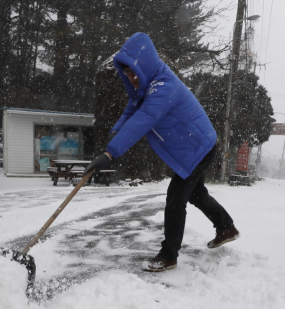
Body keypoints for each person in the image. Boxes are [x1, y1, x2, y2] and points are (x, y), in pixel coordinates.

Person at [84, 32, 239, 271]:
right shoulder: (145, 88)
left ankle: (169, 256)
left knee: (176, 199)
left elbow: (143, 119)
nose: (132, 78)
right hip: (193, 148)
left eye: (135, 71)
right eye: (127, 73)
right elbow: (130, 114)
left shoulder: (164, 87)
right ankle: (226, 227)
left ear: (144, 66)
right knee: (195, 195)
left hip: (199, 147)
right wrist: (112, 138)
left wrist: (111, 153)